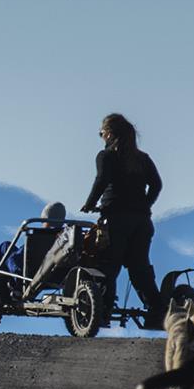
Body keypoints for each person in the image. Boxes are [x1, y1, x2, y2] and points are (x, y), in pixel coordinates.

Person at [80, 113, 164, 324]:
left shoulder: (106, 156)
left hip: (115, 219)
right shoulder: (142, 158)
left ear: (108, 133)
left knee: (109, 266)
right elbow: (157, 185)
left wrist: (90, 203)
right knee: (140, 267)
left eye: (101, 133)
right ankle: (157, 311)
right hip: (142, 222)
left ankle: (104, 312)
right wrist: (145, 205)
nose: (102, 137)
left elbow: (102, 180)